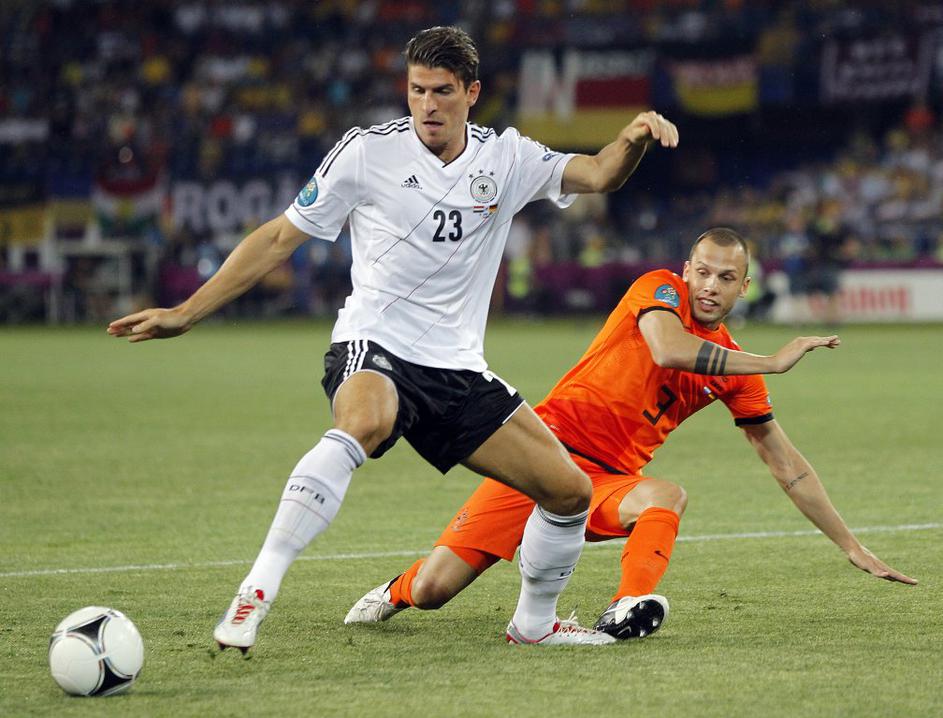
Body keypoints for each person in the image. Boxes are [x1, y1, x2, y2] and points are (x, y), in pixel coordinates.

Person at [107, 26, 680, 649]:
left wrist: (630, 140)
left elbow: (598, 173)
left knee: (569, 491)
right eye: (416, 91)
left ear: (471, 92)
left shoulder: (507, 158)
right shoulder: (364, 153)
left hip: (456, 369)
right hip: (374, 345)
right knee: (366, 422)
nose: (427, 105)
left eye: (442, 92)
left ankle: (534, 627)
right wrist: (188, 312)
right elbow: (277, 237)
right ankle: (257, 589)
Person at [344, 228, 917, 641]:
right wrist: (772, 361)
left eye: (726, 277)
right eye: (703, 272)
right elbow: (668, 349)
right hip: (541, 455)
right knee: (434, 590)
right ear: (685, 270)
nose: (710, 286)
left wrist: (851, 545)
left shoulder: (734, 372)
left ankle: (625, 606)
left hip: (605, 482)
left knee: (665, 496)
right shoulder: (658, 290)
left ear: (744, 287)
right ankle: (396, 590)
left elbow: (787, 466)